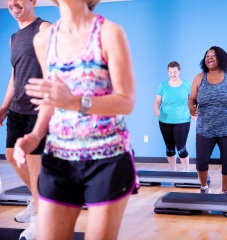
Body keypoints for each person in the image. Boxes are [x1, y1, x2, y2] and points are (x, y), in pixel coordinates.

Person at [13, 0, 138, 239]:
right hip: (58, 158)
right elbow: (52, 99)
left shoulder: (109, 33)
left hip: (107, 159)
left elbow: (126, 101)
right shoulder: (43, 40)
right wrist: (35, 135)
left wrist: (77, 102)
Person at [1, 0, 51, 239]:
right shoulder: (13, 38)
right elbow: (14, 74)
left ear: (33, 1)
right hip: (18, 108)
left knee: (34, 164)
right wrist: (4, 106)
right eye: (10, 0)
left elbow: (55, 67)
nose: (13, 3)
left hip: (37, 110)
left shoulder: (43, 28)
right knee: (11, 154)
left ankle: (38, 222)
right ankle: (37, 199)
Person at [188, 46, 227, 194]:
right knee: (201, 161)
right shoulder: (199, 78)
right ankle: (204, 187)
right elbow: (191, 98)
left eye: (213, 55)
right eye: (207, 55)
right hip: (205, 128)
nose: (209, 57)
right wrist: (191, 107)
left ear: (221, 58)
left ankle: (224, 192)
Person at [153, 61, 192, 171]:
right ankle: (173, 172)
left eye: (174, 72)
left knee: (181, 149)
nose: (172, 74)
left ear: (179, 71)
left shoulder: (187, 85)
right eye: (170, 72)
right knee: (170, 149)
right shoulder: (163, 86)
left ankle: (186, 172)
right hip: (164, 121)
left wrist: (193, 111)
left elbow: (193, 101)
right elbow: (157, 101)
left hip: (182, 120)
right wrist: (156, 109)